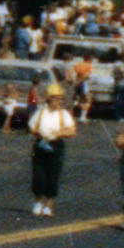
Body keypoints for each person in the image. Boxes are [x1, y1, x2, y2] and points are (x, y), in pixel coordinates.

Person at [27, 84, 79, 218]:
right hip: (41, 144)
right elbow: (32, 127)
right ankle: (38, 202)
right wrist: (39, 132)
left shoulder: (64, 114)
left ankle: (49, 205)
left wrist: (59, 133)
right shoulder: (40, 112)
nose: (59, 102)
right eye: (56, 99)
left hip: (56, 145)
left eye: (61, 99)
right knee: (38, 176)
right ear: (49, 99)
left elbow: (72, 130)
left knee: (53, 177)